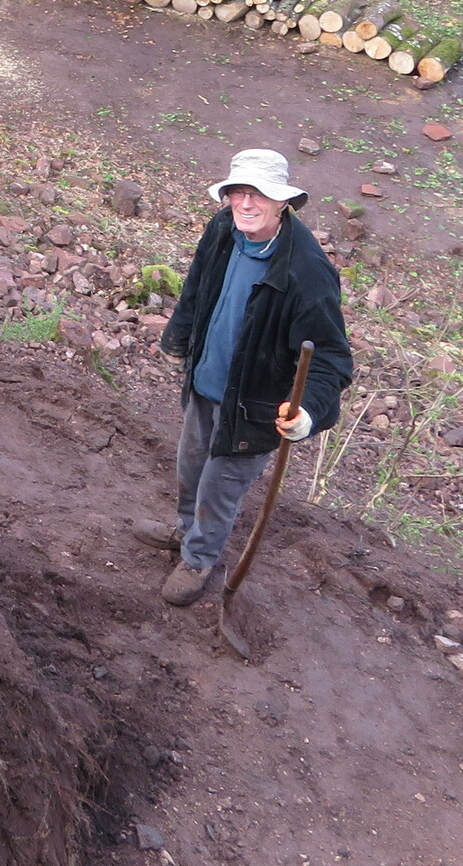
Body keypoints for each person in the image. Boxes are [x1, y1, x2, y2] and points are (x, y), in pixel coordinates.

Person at [147, 147, 352, 607]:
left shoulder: (307, 273)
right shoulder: (224, 228)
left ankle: (199, 559)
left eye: (258, 194)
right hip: (206, 383)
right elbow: (197, 286)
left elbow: (332, 359)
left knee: (219, 488)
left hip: (253, 408)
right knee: (190, 468)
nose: (245, 203)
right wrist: (179, 336)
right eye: (237, 191)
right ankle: (185, 531)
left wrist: (306, 413)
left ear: (283, 202)